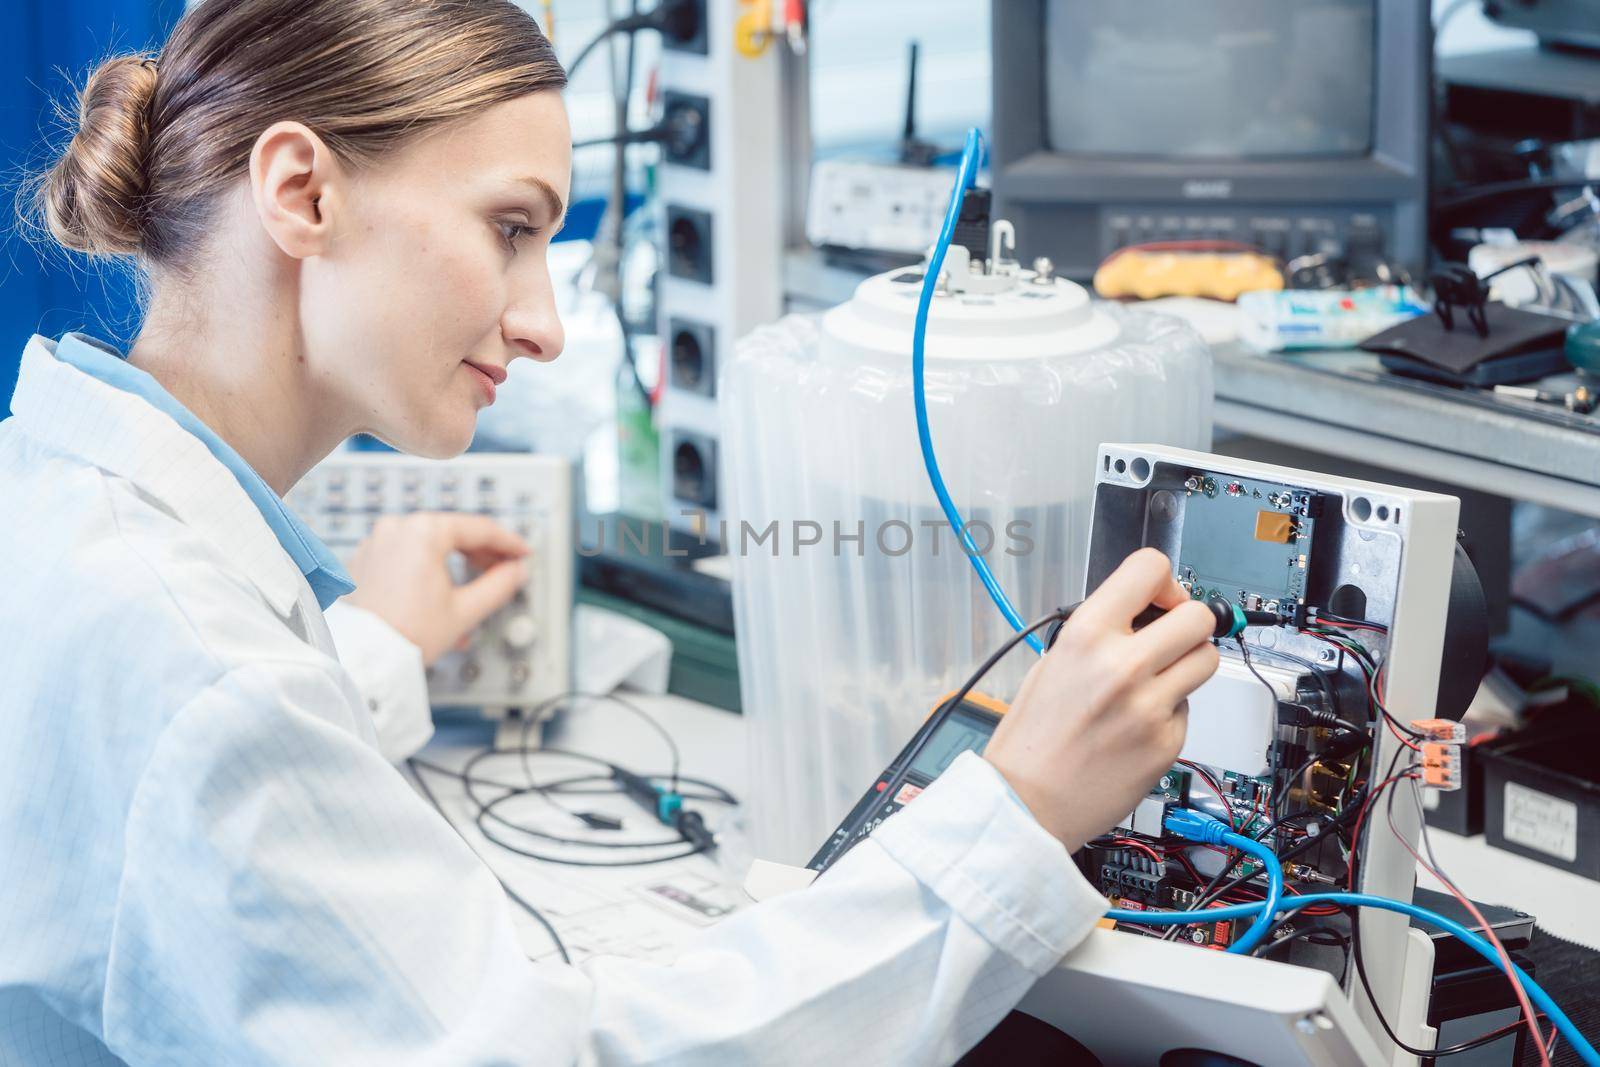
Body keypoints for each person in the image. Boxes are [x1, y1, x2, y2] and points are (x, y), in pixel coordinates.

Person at [0, 2, 1222, 1063]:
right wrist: (1015, 809)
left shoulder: (69, 505)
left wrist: (375, 644)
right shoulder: (203, 677)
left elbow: (178, 808)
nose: (544, 325)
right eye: (511, 227)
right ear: (302, 191)